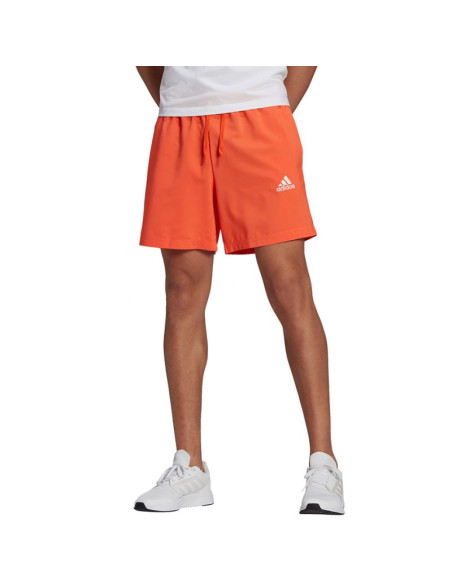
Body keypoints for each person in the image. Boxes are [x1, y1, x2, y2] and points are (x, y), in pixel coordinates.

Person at [134, 66, 344, 514]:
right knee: (182, 290)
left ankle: (324, 463)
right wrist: (179, 98)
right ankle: (190, 465)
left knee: (289, 285)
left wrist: (272, 105)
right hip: (179, 123)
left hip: (260, 116)